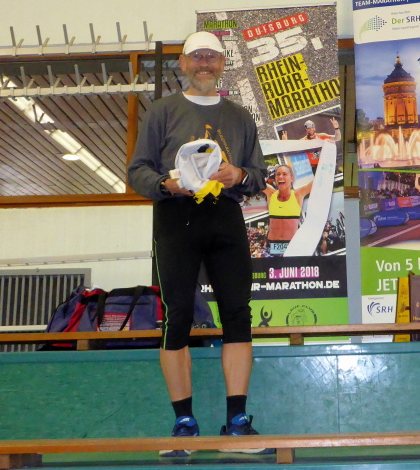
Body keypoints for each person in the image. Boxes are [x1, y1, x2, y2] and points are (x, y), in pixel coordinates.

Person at [128, 31, 272, 456]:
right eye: (197, 56)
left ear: (222, 64)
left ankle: (237, 425)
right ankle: (184, 425)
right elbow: (137, 171)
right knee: (176, 315)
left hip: (225, 217)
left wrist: (239, 175)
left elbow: (258, 174)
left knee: (237, 314)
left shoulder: (241, 116)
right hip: (176, 217)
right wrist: (166, 184)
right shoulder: (161, 111)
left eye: (212, 56)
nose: (205, 63)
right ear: (184, 64)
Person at [264, 164, 313, 255]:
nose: (280, 176)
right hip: (272, 246)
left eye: (284, 174)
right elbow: (254, 182)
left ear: (292, 178)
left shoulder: (298, 194)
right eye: (278, 174)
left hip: (292, 245)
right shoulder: (271, 193)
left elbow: (318, 182)